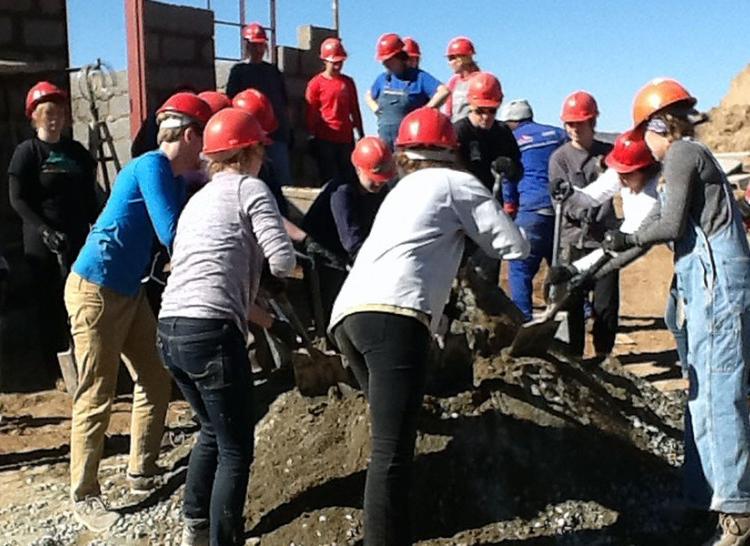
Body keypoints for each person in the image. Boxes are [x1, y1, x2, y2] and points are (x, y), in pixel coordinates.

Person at [329, 107, 529, 544]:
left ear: (404, 153)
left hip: (347, 319)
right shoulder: (456, 182)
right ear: (451, 150)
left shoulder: (400, 191)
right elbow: (513, 244)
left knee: (390, 438)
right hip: (394, 319)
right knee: (392, 452)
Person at [601, 78, 750, 546]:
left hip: (720, 289)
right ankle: (702, 497)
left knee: (720, 395)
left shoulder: (684, 154)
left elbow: (665, 226)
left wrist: (626, 239)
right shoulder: (680, 161)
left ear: (659, 123)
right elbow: (659, 228)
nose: (641, 141)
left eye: (644, 130)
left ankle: (738, 513)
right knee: (700, 394)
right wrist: (600, 260)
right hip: (705, 289)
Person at [63, 92, 212, 532]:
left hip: (127, 291)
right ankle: (84, 495)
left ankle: (140, 469)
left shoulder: (169, 174)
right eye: (203, 139)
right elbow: (172, 231)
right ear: (189, 135)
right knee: (96, 394)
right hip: (96, 289)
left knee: (153, 376)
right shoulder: (152, 166)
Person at [158, 108, 295, 546]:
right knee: (237, 448)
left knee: (211, 431)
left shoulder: (198, 200)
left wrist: (268, 317)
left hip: (171, 330)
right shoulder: (250, 188)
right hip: (211, 334)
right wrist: (282, 275)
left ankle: (194, 526)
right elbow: (284, 260)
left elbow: (206, 281)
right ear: (252, 151)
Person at [8, 81, 100, 381]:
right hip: (41, 241)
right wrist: (43, 230)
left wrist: (98, 227)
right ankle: (54, 368)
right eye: (47, 112)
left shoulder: (76, 153)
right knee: (49, 302)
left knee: (79, 299)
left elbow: (89, 196)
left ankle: (84, 358)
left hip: (75, 238)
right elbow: (17, 198)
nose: (54, 118)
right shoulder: (28, 152)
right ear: (34, 117)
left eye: (58, 112)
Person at [548, 90, 617, 358]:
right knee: (573, 302)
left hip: (605, 241)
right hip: (573, 239)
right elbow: (561, 198)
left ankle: (603, 357)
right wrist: (577, 208)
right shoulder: (560, 158)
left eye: (580, 123)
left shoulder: (608, 155)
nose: (575, 129)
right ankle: (574, 357)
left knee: (606, 304)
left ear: (593, 122)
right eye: (570, 124)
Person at [498, 99, 567, 321]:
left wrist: (509, 206)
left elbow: (509, 175)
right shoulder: (557, 134)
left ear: (511, 122)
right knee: (563, 265)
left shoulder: (511, 140)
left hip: (531, 209)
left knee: (520, 266)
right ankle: (581, 313)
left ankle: (523, 317)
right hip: (562, 206)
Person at [454, 72, 523, 284]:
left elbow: (518, 171)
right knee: (460, 273)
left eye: (491, 111)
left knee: (487, 276)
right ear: (470, 105)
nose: (486, 117)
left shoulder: (503, 132)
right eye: (479, 111)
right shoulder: (459, 132)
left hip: (492, 213)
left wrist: (510, 168)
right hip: (462, 215)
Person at [226, 22, 294, 187]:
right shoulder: (239, 72)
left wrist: (289, 130)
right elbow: (231, 105)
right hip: (249, 138)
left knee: (282, 183)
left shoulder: (273, 72)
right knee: (251, 182)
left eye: (261, 45)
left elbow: (285, 104)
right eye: (254, 45)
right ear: (247, 45)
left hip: (276, 135)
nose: (258, 49)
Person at [366, 33, 450, 150]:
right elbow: (368, 95)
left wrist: (424, 111)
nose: (385, 64)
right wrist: (376, 109)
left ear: (400, 57)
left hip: (410, 144)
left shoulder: (419, 77)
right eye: (383, 61)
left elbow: (444, 91)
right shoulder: (383, 79)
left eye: (388, 60)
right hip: (385, 143)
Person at [305, 37, 364, 184]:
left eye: (341, 62)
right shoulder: (315, 84)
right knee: (329, 179)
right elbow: (311, 111)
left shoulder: (348, 83)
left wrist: (361, 133)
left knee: (348, 178)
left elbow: (354, 109)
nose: (338, 66)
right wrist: (311, 134)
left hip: (346, 139)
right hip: (325, 139)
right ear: (325, 61)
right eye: (334, 62)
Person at [443, 36, 481, 122]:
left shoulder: (480, 80)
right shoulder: (453, 82)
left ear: (463, 58)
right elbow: (448, 112)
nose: (449, 63)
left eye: (451, 58)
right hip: (456, 130)